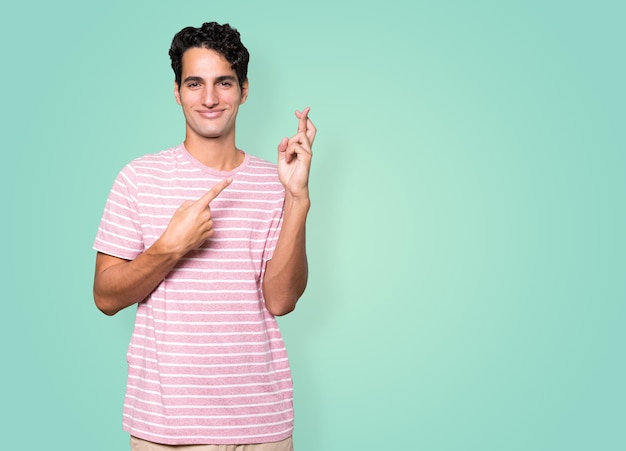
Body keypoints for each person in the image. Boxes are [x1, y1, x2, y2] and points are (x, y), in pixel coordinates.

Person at [92, 21, 315, 450]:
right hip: (167, 430)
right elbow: (105, 297)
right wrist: (170, 247)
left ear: (244, 90)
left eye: (224, 83)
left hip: (261, 427)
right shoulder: (138, 179)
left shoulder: (276, 183)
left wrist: (298, 199)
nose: (210, 98)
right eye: (195, 83)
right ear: (176, 91)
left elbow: (282, 301)